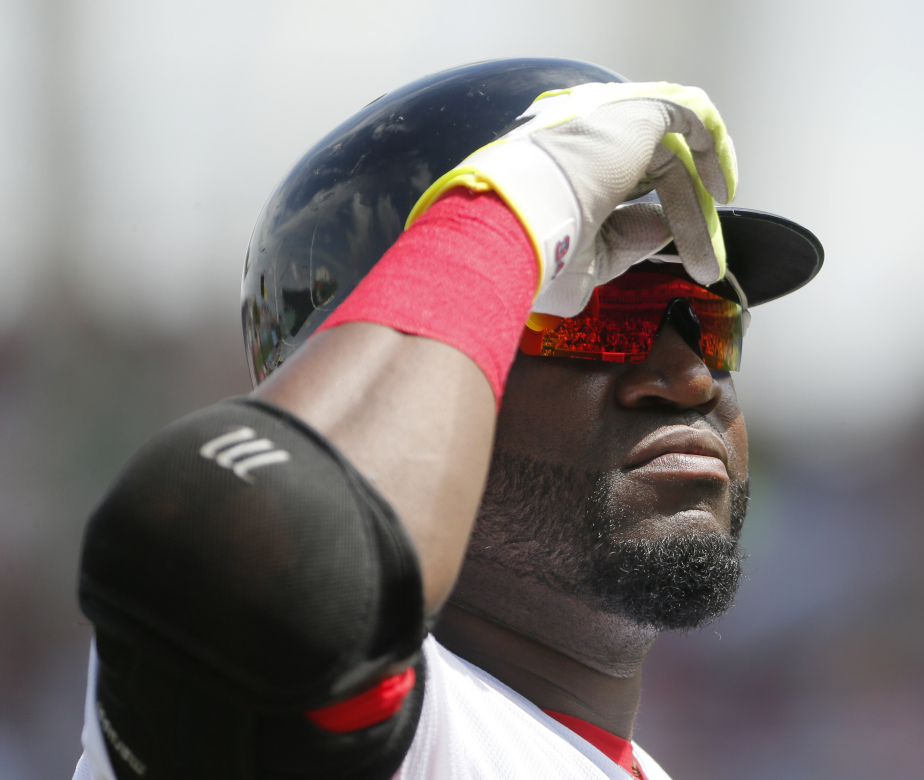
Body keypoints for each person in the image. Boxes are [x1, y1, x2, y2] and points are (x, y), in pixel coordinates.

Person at [73, 58, 822, 780]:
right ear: (374, 371)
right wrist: (509, 209)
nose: (691, 379)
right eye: (599, 317)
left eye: (711, 324)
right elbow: (248, 555)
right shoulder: (387, 729)